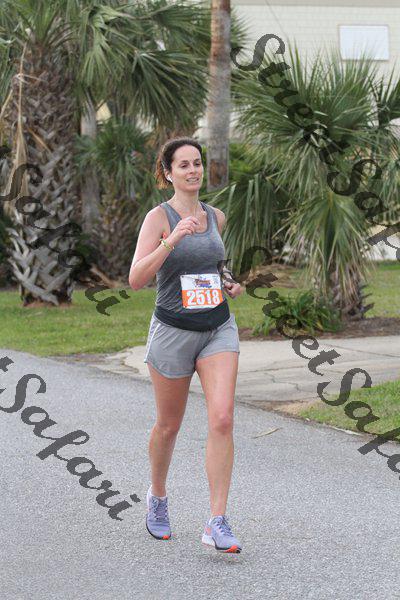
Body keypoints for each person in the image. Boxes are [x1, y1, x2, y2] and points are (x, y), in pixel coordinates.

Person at [129, 137, 243, 553]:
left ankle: (217, 520)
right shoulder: (158, 217)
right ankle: (158, 496)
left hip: (217, 327)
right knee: (169, 425)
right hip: (173, 331)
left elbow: (214, 265)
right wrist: (172, 238)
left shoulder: (216, 216)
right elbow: (136, 279)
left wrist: (228, 282)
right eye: (184, 165)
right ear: (168, 173)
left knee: (223, 419)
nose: (193, 170)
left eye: (197, 163)